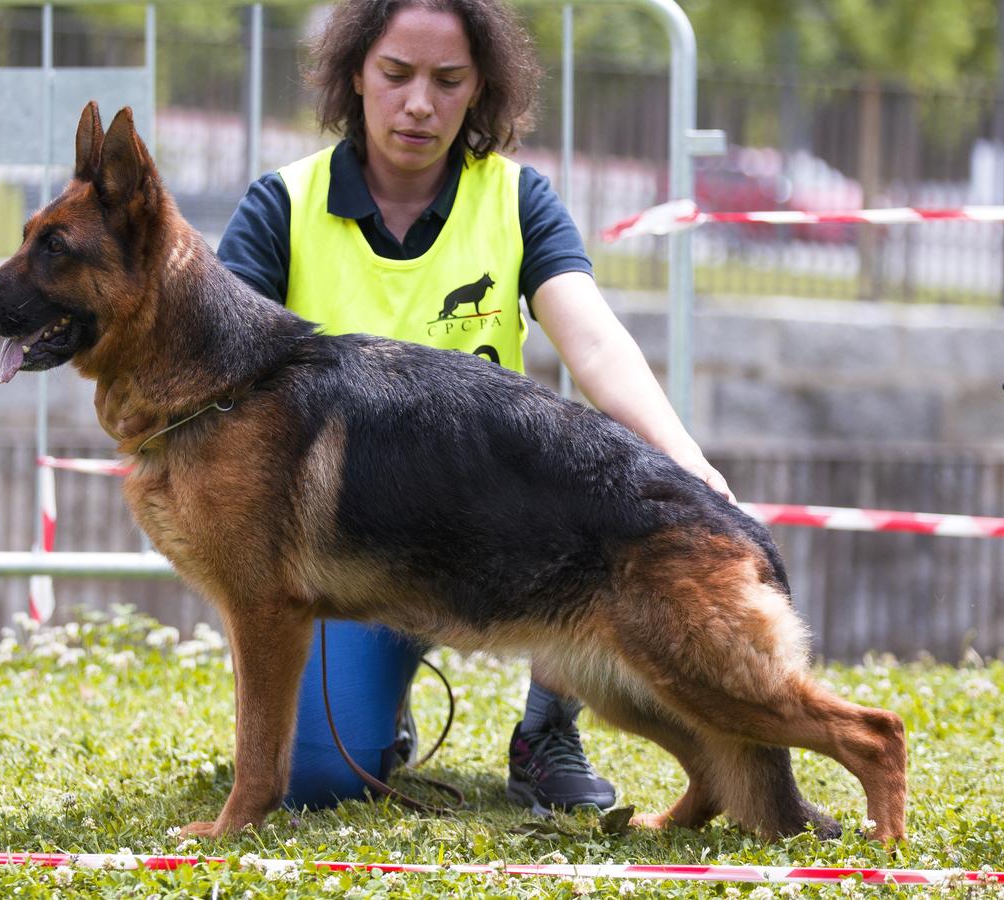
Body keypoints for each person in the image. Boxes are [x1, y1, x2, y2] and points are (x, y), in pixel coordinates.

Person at [107, 0, 733, 816]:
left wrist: (687, 458)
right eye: (396, 74)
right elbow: (213, 368)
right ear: (356, 75)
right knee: (321, 781)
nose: (418, 104)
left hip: (494, 523)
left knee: (582, 498)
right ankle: (376, 717)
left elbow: (599, 344)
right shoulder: (283, 204)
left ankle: (545, 732)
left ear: (481, 90)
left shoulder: (516, 198)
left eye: (448, 81)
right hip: (360, 542)